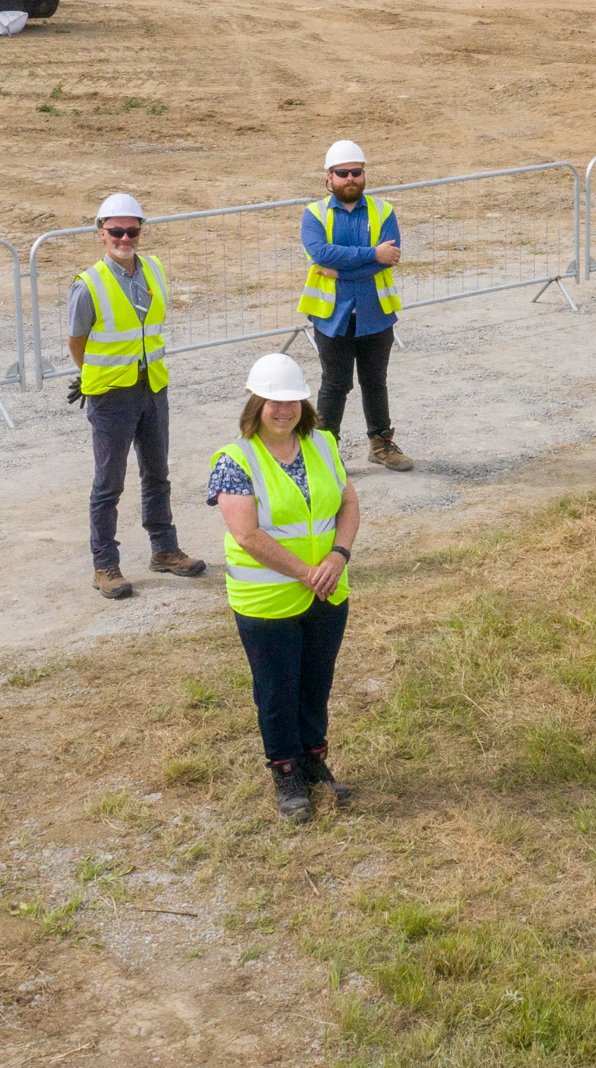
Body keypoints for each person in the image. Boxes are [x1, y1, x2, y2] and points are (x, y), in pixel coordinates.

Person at [206, 353, 359, 823]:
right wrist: (306, 572)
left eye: (292, 400)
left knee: (317, 681)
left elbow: (349, 504)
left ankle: (313, 759)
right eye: (273, 401)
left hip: (327, 592)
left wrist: (339, 556)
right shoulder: (236, 460)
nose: (283, 409)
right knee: (277, 688)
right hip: (269, 599)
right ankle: (286, 770)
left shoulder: (323, 444)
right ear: (256, 403)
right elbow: (247, 535)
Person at [68, 191, 205, 600]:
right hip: (112, 395)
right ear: (101, 234)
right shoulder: (88, 285)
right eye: (116, 232)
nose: (124, 239)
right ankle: (105, 564)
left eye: (132, 231)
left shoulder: (155, 270)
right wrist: (93, 375)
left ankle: (164, 550)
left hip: (152, 387)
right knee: (108, 483)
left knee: (156, 473)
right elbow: (77, 342)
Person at [298, 138, 413, 471]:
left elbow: (387, 259)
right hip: (332, 316)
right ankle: (324, 453)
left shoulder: (383, 211)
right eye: (342, 173)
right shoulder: (314, 215)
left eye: (356, 172)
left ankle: (381, 443)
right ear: (329, 178)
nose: (350, 178)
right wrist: (371, 254)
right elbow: (322, 254)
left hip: (375, 313)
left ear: (364, 174)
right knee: (335, 385)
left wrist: (343, 271)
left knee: (375, 382)